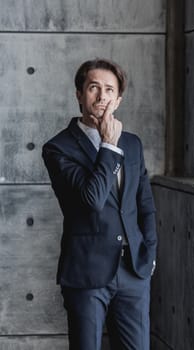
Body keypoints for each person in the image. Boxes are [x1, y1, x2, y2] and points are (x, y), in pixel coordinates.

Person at [42, 58, 157, 350]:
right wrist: (108, 145)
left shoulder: (132, 144)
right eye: (94, 87)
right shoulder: (58, 148)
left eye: (109, 90)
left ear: (118, 100)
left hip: (133, 271)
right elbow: (91, 200)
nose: (102, 96)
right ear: (79, 95)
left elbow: (144, 204)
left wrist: (150, 253)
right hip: (86, 273)